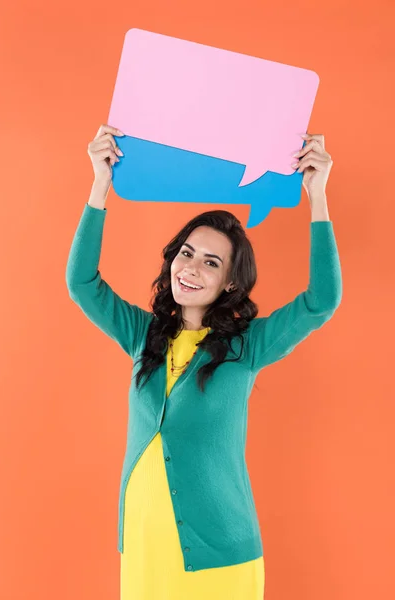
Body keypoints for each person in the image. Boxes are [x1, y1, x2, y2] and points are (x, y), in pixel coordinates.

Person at [66, 124, 342, 599]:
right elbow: (82, 283)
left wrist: (317, 196)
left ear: (230, 284)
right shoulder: (143, 336)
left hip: (218, 558)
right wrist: (99, 184)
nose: (190, 268)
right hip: (145, 549)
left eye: (211, 262)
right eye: (186, 253)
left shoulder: (247, 347)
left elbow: (322, 300)